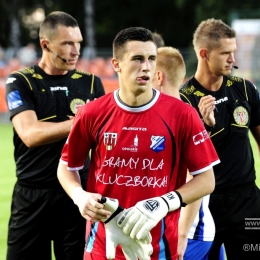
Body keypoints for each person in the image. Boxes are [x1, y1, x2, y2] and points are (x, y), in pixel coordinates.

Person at [57, 26, 220, 260]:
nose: (146, 67)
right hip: (102, 247)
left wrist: (165, 202)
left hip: (159, 248)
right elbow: (66, 166)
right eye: (137, 59)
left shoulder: (182, 114)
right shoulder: (92, 113)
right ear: (116, 64)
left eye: (151, 59)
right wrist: (79, 196)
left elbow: (206, 179)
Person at [5, 11, 105, 260]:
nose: (76, 50)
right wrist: (80, 121)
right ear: (45, 45)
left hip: (76, 197)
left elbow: (104, 141)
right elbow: (30, 134)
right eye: (68, 43)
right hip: (32, 195)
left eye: (78, 43)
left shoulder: (91, 84)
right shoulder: (20, 81)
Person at [179, 18, 260, 260]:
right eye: (225, 53)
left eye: (233, 52)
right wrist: (203, 126)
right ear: (204, 54)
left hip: (247, 203)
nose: (232, 59)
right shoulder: (184, 100)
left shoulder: (244, 89)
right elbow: (184, 164)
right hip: (204, 205)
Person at [153, 46, 216, 260]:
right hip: (185, 231)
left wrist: (181, 234)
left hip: (189, 234)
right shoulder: (171, 117)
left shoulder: (181, 120)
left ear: (158, 77)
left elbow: (197, 180)